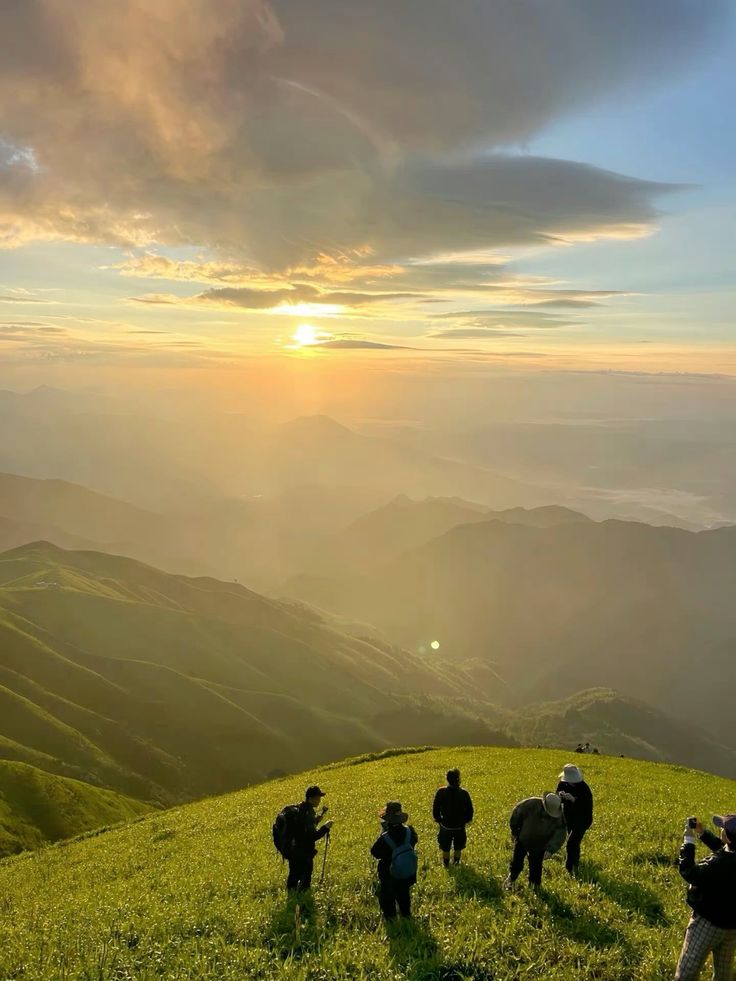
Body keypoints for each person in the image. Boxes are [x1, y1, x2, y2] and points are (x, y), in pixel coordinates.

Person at [674, 813, 736, 980]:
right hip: (731, 925)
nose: (721, 829)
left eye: (723, 828)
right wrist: (703, 834)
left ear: (729, 838)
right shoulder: (730, 857)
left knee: (688, 968)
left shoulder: (716, 866)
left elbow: (689, 871)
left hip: (708, 923)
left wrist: (688, 841)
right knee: (724, 972)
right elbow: (724, 850)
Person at [504, 792, 566, 890]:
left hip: (540, 845)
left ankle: (534, 887)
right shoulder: (529, 805)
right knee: (517, 861)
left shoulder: (558, 816)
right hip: (523, 839)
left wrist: (550, 849)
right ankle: (511, 878)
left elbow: (560, 834)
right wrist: (515, 832)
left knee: (536, 867)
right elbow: (516, 815)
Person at [371, 801, 418, 920]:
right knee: (404, 894)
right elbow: (414, 842)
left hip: (388, 872)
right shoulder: (409, 831)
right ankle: (406, 915)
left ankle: (391, 918)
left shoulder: (385, 837)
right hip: (406, 869)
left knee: (387, 896)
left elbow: (375, 852)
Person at [283, 785, 333, 894]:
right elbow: (312, 837)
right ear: (311, 798)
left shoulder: (300, 809)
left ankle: (291, 900)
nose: (319, 801)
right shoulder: (308, 813)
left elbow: (301, 829)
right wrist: (325, 827)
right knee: (305, 880)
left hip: (293, 850)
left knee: (293, 877)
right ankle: (304, 903)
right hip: (304, 853)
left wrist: (315, 821)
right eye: (318, 798)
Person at [556, 763, 594, 875]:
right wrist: (560, 796)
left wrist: (574, 799)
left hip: (583, 820)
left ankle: (569, 868)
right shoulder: (563, 784)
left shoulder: (584, 789)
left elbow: (587, 806)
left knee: (571, 843)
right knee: (575, 843)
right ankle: (576, 862)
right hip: (569, 818)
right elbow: (557, 797)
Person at [433, 768, 474, 867]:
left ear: (447, 779)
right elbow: (470, 810)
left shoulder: (441, 792)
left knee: (445, 848)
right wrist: (465, 821)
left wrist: (439, 820)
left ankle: (446, 865)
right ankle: (456, 863)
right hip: (459, 826)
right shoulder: (464, 793)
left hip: (445, 825)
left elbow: (435, 808)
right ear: (458, 779)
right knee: (458, 847)